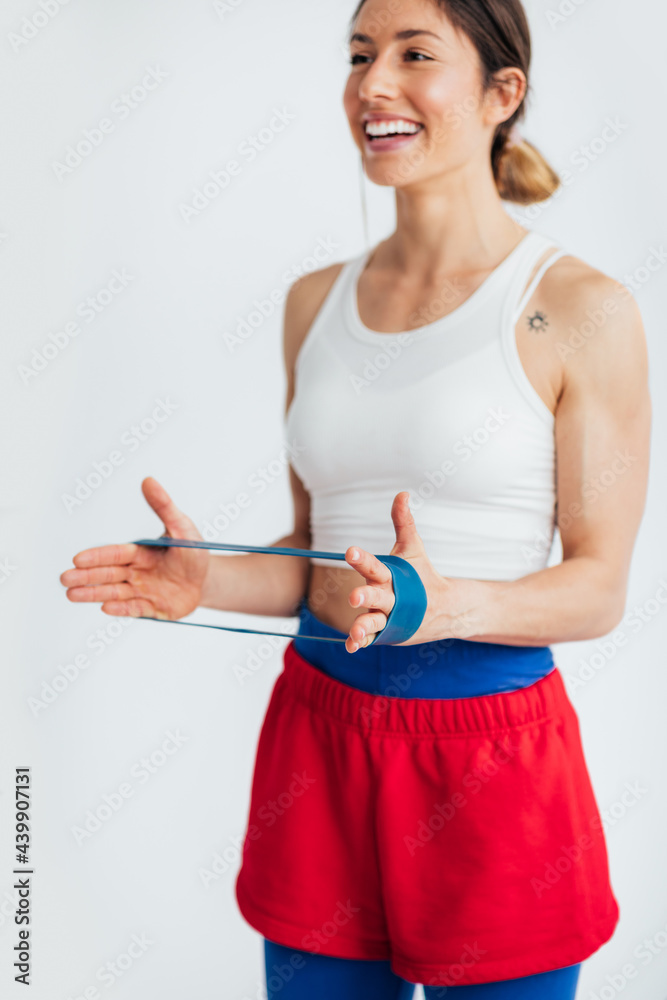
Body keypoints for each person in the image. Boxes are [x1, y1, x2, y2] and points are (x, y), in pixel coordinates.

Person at [60, 0, 652, 996]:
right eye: (359, 54)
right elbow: (316, 554)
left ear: (501, 92)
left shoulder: (581, 309)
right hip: (318, 736)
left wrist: (441, 604)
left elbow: (597, 588)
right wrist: (205, 581)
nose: (372, 83)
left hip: (488, 752)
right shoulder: (313, 303)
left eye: (415, 54)